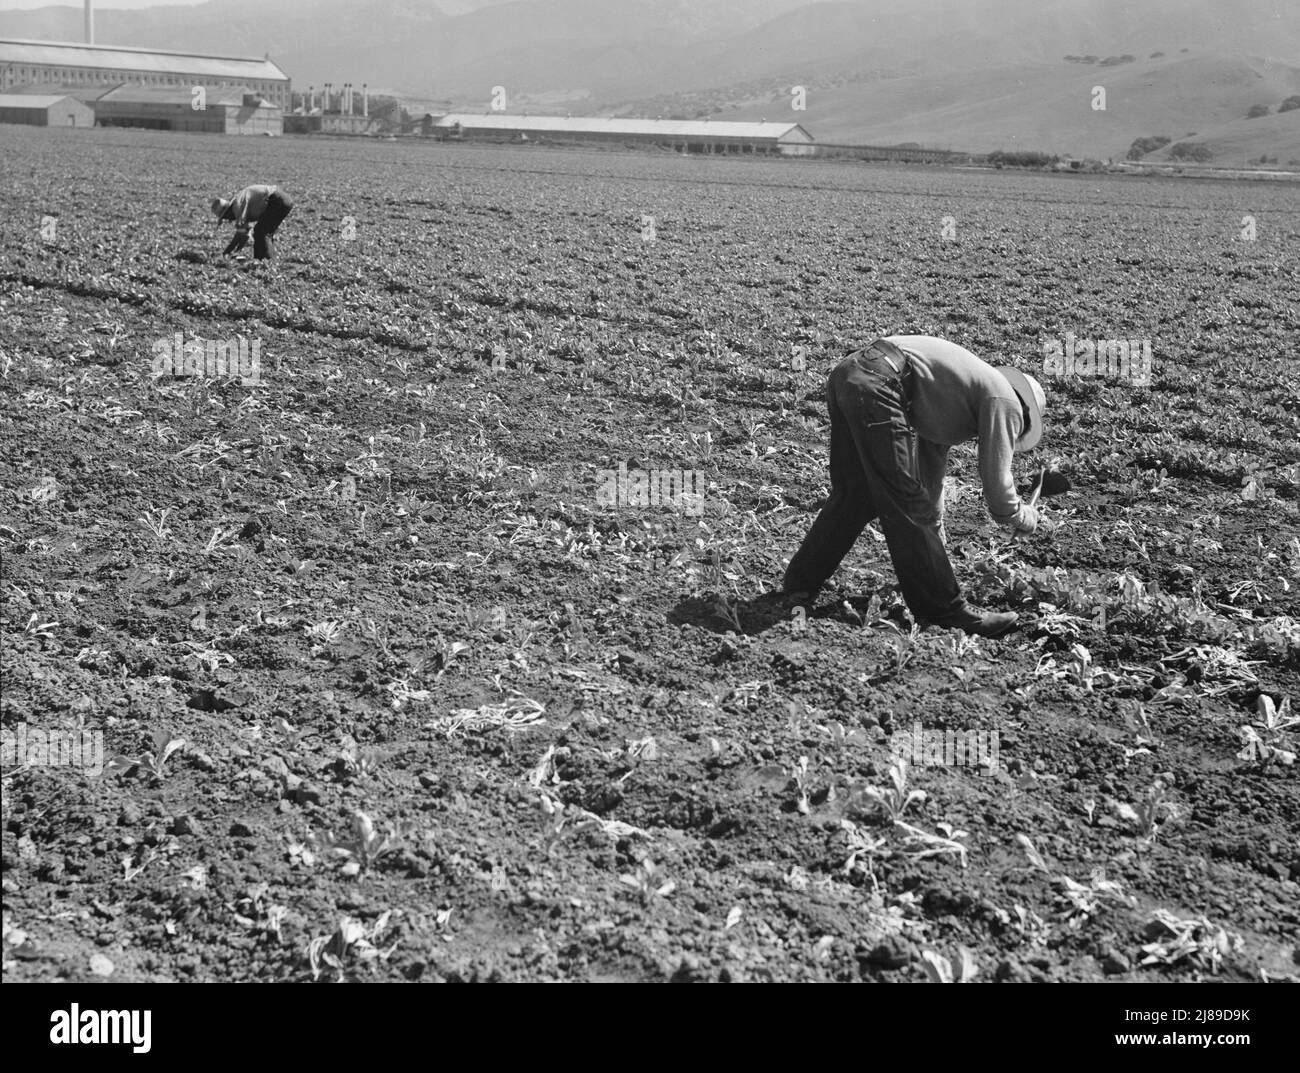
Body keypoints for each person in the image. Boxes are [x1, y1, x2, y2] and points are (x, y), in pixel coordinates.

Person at [782, 335, 1048, 638]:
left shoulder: (959, 395)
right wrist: (1022, 516)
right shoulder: (1006, 402)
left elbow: (929, 476)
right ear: (1024, 415)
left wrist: (934, 537)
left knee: (856, 495)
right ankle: (944, 609)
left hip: (850, 373)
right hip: (880, 382)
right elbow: (996, 484)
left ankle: (801, 581)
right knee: (904, 501)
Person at [211, 185, 293, 260]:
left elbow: (241, 235)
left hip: (277, 201)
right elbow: (246, 233)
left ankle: (267, 261)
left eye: (225, 217)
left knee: (261, 231)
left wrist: (227, 252)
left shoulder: (237, 208)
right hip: (281, 199)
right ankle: (262, 259)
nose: (228, 219)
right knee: (262, 232)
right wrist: (236, 251)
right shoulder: (239, 204)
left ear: (227, 212)